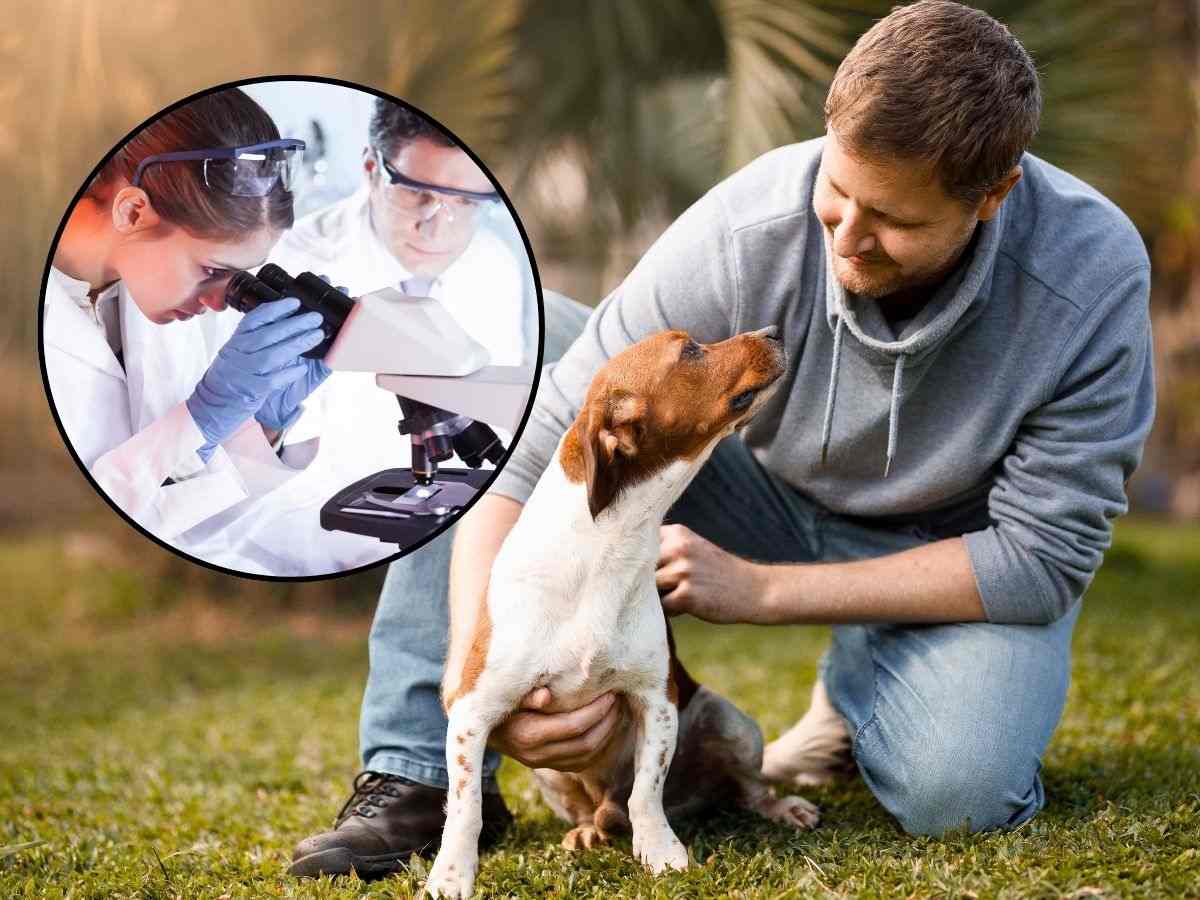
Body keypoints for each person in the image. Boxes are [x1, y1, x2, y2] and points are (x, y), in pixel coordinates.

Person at [289, 0, 1154, 878]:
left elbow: (1041, 560)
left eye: (892, 219)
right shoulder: (750, 225)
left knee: (960, 794)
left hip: (948, 545)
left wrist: (765, 592)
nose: (848, 240)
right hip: (758, 485)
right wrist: (476, 667)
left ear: (994, 195)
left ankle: (869, 683)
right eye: (838, 192)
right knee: (523, 356)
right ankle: (413, 772)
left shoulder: (1088, 277)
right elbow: (537, 438)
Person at [251, 98, 540, 576]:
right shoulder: (304, 259)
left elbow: (507, 430)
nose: (436, 224)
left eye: (465, 201)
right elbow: (281, 470)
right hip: (319, 546)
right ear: (371, 168)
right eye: (416, 193)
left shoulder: (495, 265)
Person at [44, 88, 329, 550]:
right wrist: (203, 417)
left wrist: (261, 426)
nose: (219, 301)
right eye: (214, 271)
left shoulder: (166, 298)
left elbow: (183, 524)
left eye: (240, 277)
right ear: (133, 210)